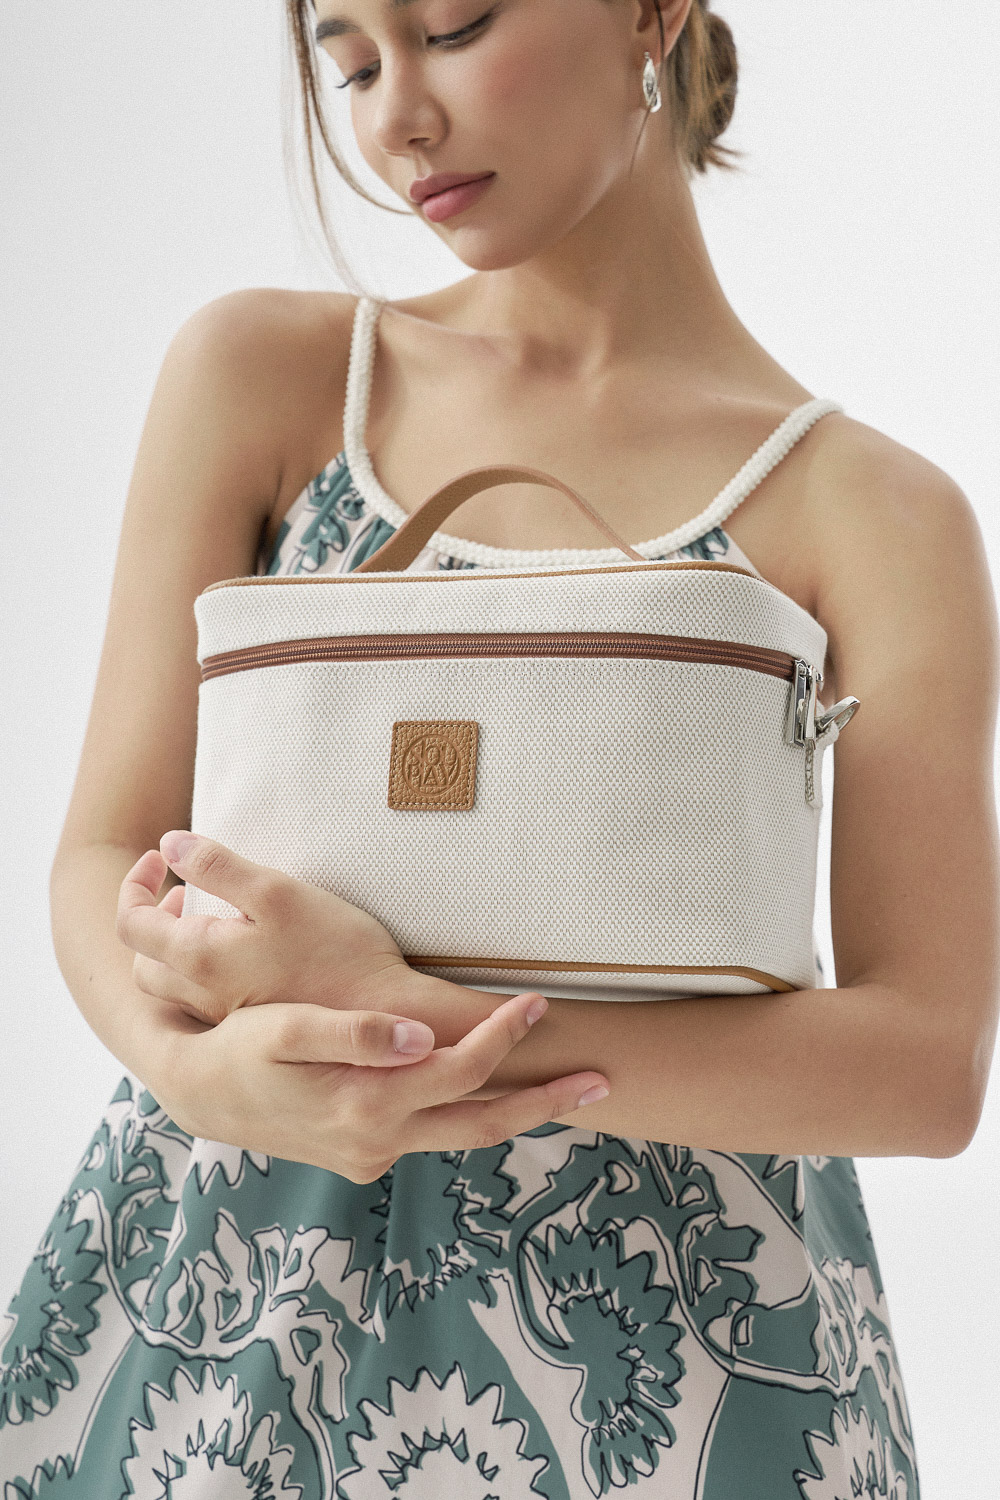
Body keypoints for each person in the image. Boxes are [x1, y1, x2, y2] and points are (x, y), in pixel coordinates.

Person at [2, 1, 997, 1494]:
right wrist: (188, 1073)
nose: (393, 118)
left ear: (651, 11)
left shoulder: (875, 512)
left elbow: (924, 1065)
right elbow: (104, 848)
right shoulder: (270, 376)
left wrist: (408, 1017)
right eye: (352, 63)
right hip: (236, 1298)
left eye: (455, 25)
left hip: (685, 1362)